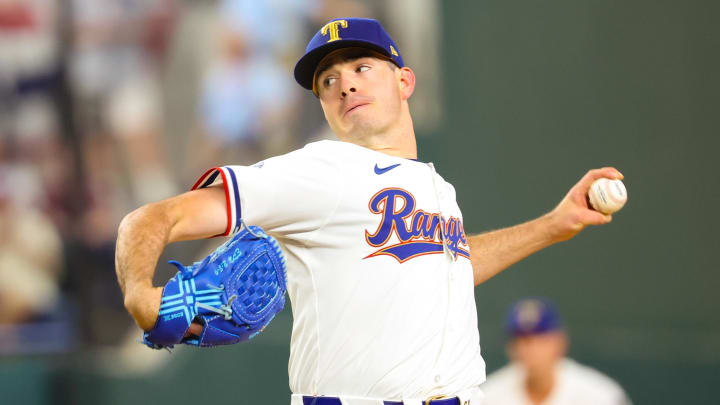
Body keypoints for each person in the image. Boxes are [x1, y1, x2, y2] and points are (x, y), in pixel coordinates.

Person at [115, 17, 624, 405]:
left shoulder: (437, 187)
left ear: (404, 82)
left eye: (361, 68)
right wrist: (141, 291)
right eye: (328, 81)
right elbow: (150, 219)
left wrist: (553, 226)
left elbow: (449, 269)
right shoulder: (322, 169)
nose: (345, 85)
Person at [481, 298, 632, 405]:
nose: (529, 349)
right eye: (521, 340)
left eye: (539, 339)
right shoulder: (488, 395)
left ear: (560, 341)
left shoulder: (599, 394)